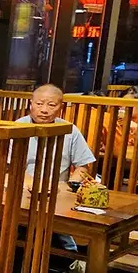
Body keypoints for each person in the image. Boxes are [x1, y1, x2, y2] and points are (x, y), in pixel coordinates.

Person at [17, 84, 97, 258]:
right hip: (24, 191)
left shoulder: (70, 130)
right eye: (39, 104)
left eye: (51, 105)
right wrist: (32, 185)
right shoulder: (17, 127)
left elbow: (84, 165)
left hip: (58, 192)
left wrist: (70, 185)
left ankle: (71, 259)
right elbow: (12, 166)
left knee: (60, 221)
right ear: (31, 104)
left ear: (61, 107)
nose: (44, 110)